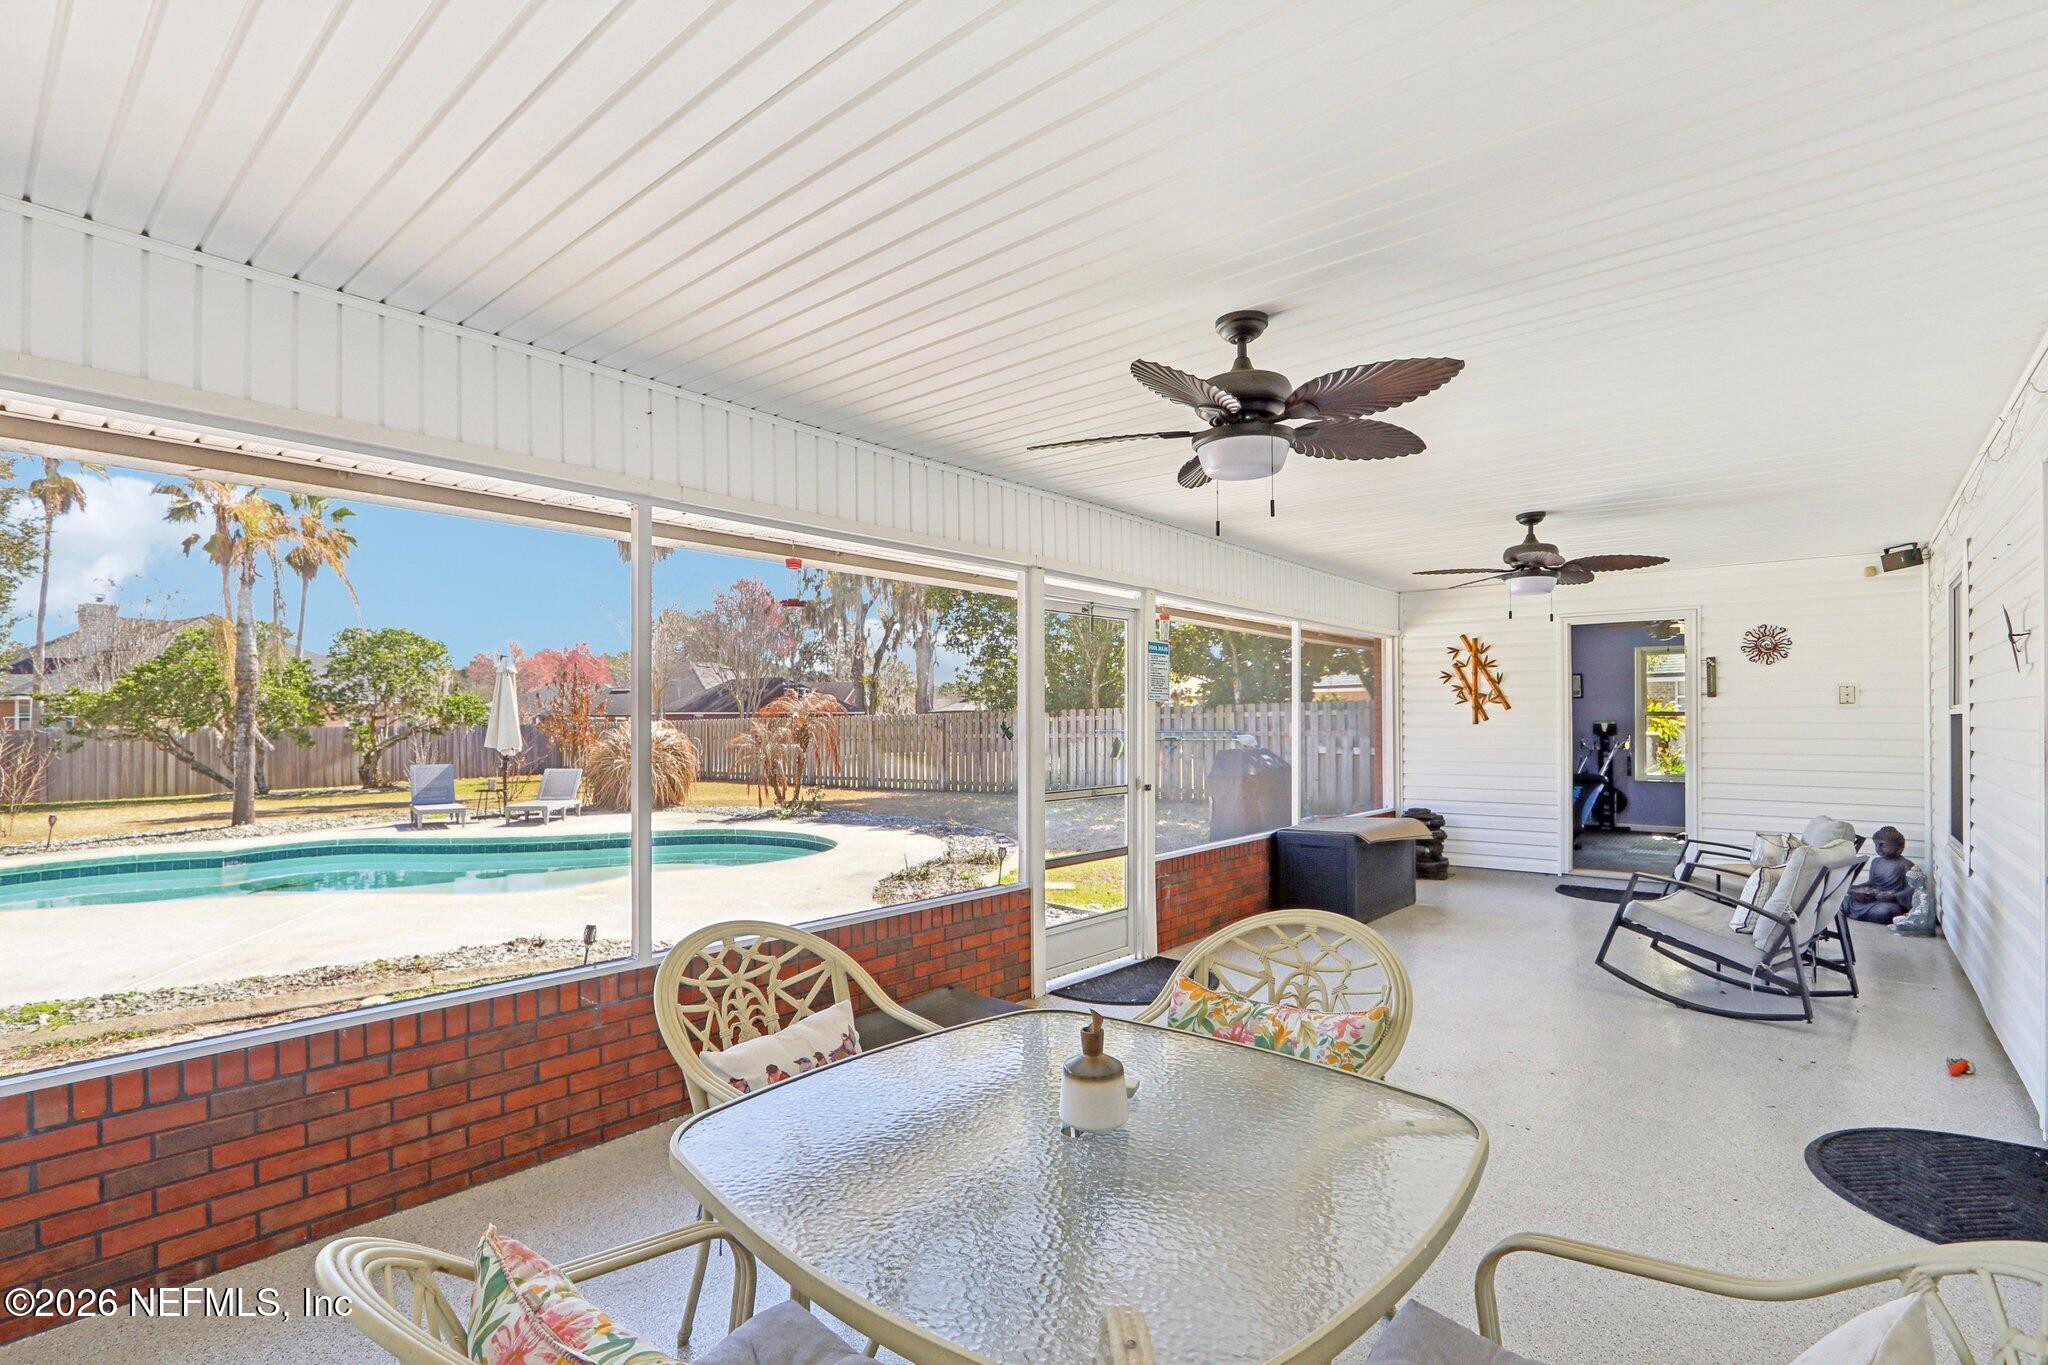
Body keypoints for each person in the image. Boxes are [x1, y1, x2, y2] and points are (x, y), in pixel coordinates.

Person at [1844, 825, 1914, 924]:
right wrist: (1854, 889)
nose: (1878, 848)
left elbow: (1912, 889)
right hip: (1872, 900)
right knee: (1842, 900)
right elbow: (1870, 883)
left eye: (1883, 845)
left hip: (1889, 902)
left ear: (1899, 846)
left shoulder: (1906, 865)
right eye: (1876, 844)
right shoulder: (1876, 861)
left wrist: (1894, 896)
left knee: (1885, 912)